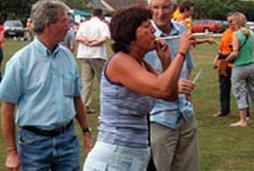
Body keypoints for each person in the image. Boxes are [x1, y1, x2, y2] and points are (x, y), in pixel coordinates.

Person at [83, 5, 194, 171]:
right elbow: (162, 89)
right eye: (147, 27)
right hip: (114, 158)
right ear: (130, 34)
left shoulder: (142, 64)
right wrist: (181, 53)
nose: (154, 33)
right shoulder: (120, 62)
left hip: (135, 156)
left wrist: (166, 62)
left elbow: (170, 96)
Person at [0, 1, 92, 170]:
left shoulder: (68, 57)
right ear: (49, 25)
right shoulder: (20, 61)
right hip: (33, 143)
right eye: (64, 21)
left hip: (67, 140)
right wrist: (11, 152)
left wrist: (86, 131)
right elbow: (7, 109)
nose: (69, 27)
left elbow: (76, 98)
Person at [145, 0, 200, 170]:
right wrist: (173, 86)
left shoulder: (181, 30)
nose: (160, 13)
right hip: (158, 117)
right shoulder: (144, 36)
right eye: (155, 7)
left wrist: (186, 93)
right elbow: (141, 82)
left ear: (174, 9)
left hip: (184, 113)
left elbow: (187, 68)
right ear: (149, 9)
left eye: (165, 7)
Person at [226, 12, 254, 127]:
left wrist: (226, 60)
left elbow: (235, 52)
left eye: (232, 21)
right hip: (251, 65)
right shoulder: (251, 33)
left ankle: (243, 120)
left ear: (236, 22)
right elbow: (253, 48)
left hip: (240, 67)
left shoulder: (236, 34)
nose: (231, 22)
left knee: (240, 92)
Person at [75, 8, 110, 114]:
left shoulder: (84, 24)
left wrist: (85, 41)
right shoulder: (102, 25)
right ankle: (106, 104)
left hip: (84, 54)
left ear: (92, 14)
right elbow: (105, 38)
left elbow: (77, 37)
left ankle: (84, 105)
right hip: (97, 54)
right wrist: (95, 43)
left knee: (86, 82)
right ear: (101, 15)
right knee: (103, 81)